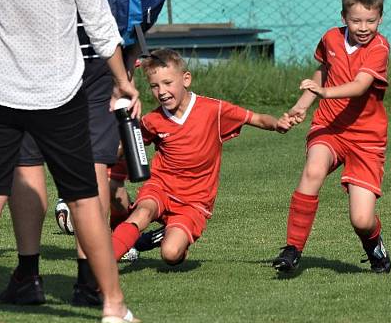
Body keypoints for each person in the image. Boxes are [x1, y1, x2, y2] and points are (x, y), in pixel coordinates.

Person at [0, 0, 145, 308]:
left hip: (5, 90)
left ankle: (27, 276)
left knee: (15, 180)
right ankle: (102, 294)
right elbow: (100, 22)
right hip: (69, 84)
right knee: (86, 188)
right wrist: (123, 80)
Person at [110, 49, 294, 264]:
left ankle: (165, 237)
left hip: (194, 200)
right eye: (154, 86)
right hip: (161, 187)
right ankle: (100, 267)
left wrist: (277, 124)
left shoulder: (213, 110)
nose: (162, 92)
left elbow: (256, 118)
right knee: (141, 213)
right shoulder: (152, 120)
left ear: (186, 79)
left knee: (171, 255)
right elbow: (130, 145)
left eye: (168, 83)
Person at [272, 0, 391, 274]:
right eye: (356, 21)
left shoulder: (379, 48)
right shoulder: (330, 39)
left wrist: (325, 92)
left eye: (370, 21)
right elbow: (324, 70)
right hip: (330, 126)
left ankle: (374, 245)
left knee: (361, 220)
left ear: (380, 18)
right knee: (313, 170)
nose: (363, 27)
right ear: (343, 18)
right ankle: (292, 249)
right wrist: (302, 105)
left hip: (367, 138)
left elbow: (360, 86)